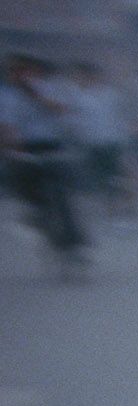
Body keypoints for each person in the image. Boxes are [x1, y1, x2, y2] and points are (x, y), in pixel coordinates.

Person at [1, 55, 88, 265]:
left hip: (52, 147)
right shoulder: (7, 97)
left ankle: (74, 243)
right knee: (25, 190)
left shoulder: (49, 89)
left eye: (25, 72)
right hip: (25, 150)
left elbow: (62, 110)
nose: (21, 77)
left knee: (62, 195)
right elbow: (7, 127)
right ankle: (36, 218)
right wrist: (12, 149)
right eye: (15, 73)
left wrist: (36, 95)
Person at [67, 63, 132, 215]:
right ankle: (111, 204)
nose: (83, 79)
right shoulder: (78, 97)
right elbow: (74, 120)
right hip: (91, 141)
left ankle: (125, 202)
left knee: (118, 173)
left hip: (113, 140)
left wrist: (124, 135)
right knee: (100, 174)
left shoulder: (111, 94)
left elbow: (121, 116)